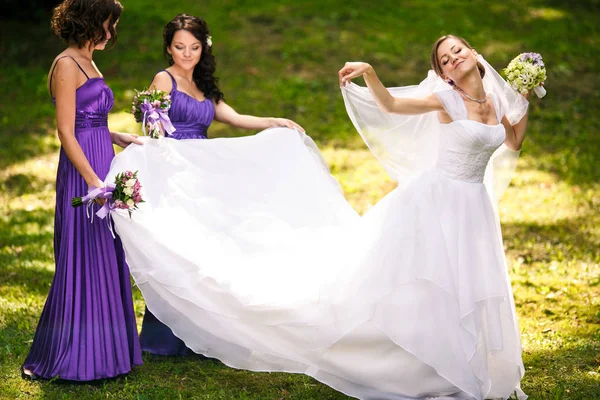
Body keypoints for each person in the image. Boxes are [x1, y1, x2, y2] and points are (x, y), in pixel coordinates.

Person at [107, 34, 532, 399]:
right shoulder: (444, 99)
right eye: (444, 59)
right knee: (421, 279)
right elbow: (390, 106)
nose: (453, 59)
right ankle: (416, 360)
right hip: (437, 200)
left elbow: (512, 141)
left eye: (457, 51)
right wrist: (368, 73)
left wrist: (524, 96)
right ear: (443, 74)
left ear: (474, 54)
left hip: (473, 204)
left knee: (465, 279)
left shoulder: (495, 99)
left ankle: (461, 358)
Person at [138, 13, 304, 356]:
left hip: (200, 173)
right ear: (169, 49)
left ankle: (204, 335)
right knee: (174, 249)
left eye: (194, 47)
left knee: (204, 251)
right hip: (172, 172)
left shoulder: (203, 85)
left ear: (203, 48)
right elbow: (151, 133)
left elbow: (233, 117)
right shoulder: (163, 80)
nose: (187, 54)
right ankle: (163, 339)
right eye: (180, 47)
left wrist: (273, 121)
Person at [21, 0, 142, 381]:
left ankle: (109, 353)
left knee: (107, 252)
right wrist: (92, 181)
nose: (112, 30)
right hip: (82, 172)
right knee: (83, 254)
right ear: (92, 22)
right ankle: (75, 356)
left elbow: (91, 122)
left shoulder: (90, 62)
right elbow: (66, 131)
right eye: (109, 22)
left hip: (102, 161)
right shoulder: (66, 64)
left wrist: (119, 136)